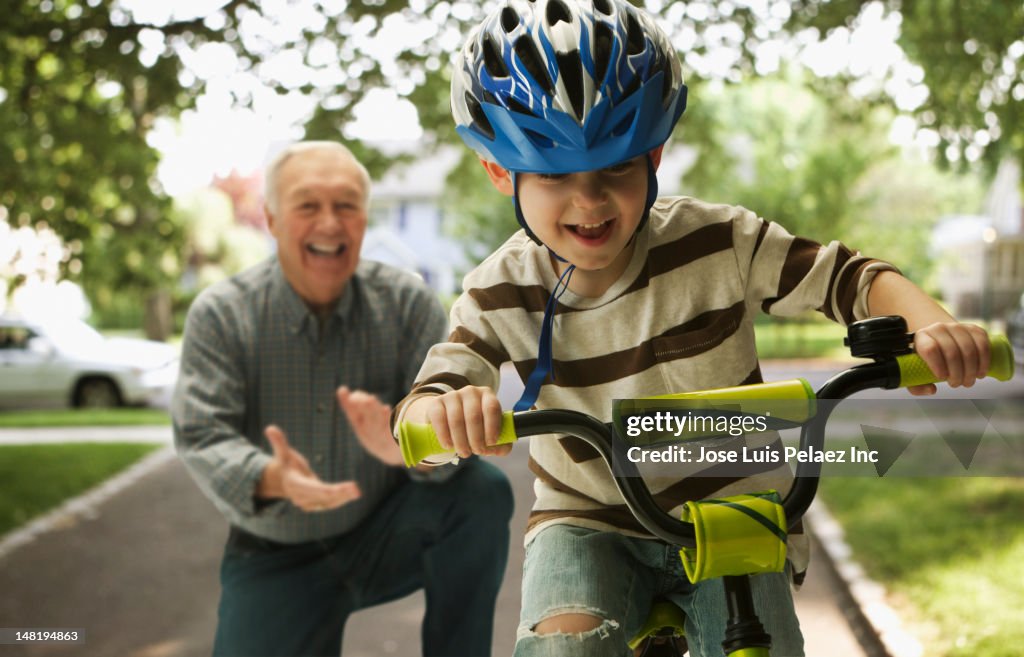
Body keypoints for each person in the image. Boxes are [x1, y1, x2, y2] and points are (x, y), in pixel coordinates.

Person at [392, 2, 993, 656]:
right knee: (562, 645)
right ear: (500, 171)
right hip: (589, 520)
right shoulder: (500, 288)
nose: (589, 201)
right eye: (556, 175)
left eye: (615, 168)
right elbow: (434, 394)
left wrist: (933, 323)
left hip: (733, 506)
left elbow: (845, 276)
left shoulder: (719, 240)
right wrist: (446, 411)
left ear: (653, 154)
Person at [172, 140, 514, 657]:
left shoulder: (407, 303)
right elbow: (202, 434)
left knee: (480, 492)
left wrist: (406, 451)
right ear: (271, 218)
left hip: (385, 529)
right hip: (274, 550)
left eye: (347, 205)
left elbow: (443, 433)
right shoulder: (222, 313)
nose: (330, 222)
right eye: (308, 205)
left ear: (364, 218)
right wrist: (269, 477)